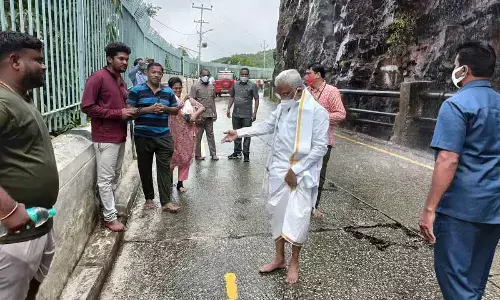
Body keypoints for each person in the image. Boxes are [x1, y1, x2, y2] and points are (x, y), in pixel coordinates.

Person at [222, 69, 329, 284]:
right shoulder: (283, 106)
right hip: (277, 170)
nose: (282, 97)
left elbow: (320, 148)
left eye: (285, 93)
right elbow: (267, 126)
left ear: (299, 89)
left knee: (297, 217)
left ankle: (294, 263)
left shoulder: (317, 113)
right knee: (277, 215)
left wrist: (295, 170)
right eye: (279, 93)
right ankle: (279, 258)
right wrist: (239, 132)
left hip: (301, 173)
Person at [418, 42, 500, 300]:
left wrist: (429, 209)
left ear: (464, 69)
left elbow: (448, 160)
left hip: (460, 209)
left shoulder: (456, 105)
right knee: (476, 279)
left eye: (456, 66)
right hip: (494, 208)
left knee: (453, 277)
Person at [0, 31, 58, 300]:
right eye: (38, 60)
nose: (44, 66)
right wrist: (8, 209)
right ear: (15, 61)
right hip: (13, 237)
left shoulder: (20, 97)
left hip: (39, 225)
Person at [81, 42, 134, 232]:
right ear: (110, 59)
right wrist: (118, 114)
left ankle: (109, 211)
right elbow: (87, 107)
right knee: (105, 180)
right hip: (105, 137)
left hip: (119, 135)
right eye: (121, 58)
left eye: (127, 59)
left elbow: (121, 106)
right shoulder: (97, 78)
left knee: (113, 177)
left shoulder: (120, 80)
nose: (125, 62)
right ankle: (109, 218)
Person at [127, 63, 181, 212]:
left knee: (165, 169)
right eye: (153, 72)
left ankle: (166, 202)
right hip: (143, 135)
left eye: (159, 72)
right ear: (147, 73)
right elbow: (130, 111)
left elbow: (175, 110)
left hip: (163, 135)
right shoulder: (137, 90)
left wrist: (165, 109)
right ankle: (149, 198)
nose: (156, 75)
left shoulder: (168, 92)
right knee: (145, 168)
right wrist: (148, 109)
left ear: (162, 75)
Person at [305, 63, 346, 219]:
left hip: (323, 141)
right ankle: (303, 204)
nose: (306, 76)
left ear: (318, 75)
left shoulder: (331, 91)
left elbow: (341, 114)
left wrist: (322, 118)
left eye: (309, 73)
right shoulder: (307, 92)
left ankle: (314, 207)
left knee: (318, 176)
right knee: (303, 172)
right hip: (305, 140)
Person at [168, 77, 205, 193]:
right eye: (175, 88)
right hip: (174, 133)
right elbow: (177, 109)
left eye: (179, 88)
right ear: (170, 89)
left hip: (188, 134)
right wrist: (183, 99)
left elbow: (202, 107)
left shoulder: (188, 100)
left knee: (185, 158)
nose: (178, 90)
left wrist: (195, 115)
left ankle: (180, 183)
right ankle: (168, 182)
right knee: (172, 159)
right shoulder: (168, 99)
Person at [227, 68, 260, 162]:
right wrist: (228, 108)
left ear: (248, 75)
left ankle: (246, 155)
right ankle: (237, 153)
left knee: (247, 135)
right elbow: (232, 96)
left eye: (246, 75)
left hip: (247, 115)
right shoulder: (235, 85)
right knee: (236, 134)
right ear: (240, 75)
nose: (244, 76)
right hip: (236, 114)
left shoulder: (253, 85)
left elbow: (256, 99)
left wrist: (255, 113)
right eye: (242, 75)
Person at [190, 69, 219, 161]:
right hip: (200, 116)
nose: (205, 77)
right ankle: (197, 155)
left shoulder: (211, 87)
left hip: (209, 115)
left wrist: (215, 112)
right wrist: (196, 116)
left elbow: (212, 100)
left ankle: (213, 154)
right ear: (200, 75)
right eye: (204, 75)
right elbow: (192, 102)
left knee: (211, 135)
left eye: (207, 75)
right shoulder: (195, 87)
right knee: (198, 136)